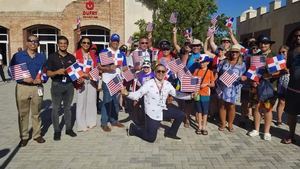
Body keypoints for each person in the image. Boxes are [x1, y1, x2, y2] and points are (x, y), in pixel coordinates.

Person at [121, 64, 192, 142]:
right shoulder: (148, 84)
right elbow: (137, 95)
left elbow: (177, 94)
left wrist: (190, 96)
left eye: (163, 71)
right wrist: (127, 93)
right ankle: (133, 129)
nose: (160, 73)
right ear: (154, 72)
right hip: (152, 113)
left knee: (181, 114)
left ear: (165, 73)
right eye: (158, 71)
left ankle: (171, 133)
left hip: (162, 109)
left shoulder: (167, 84)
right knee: (151, 138)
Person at [10, 35, 46, 147]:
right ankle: (24, 136)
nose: (33, 43)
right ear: (26, 43)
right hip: (23, 87)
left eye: (36, 41)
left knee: (36, 113)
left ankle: (37, 135)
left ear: (38, 44)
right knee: (23, 113)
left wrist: (42, 78)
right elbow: (11, 71)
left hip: (37, 87)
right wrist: (23, 78)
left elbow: (45, 71)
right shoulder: (18, 56)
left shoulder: (42, 57)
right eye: (31, 41)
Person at [46, 36, 77, 140]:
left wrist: (79, 78)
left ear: (67, 45)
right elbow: (48, 73)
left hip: (69, 85)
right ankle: (57, 130)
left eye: (65, 43)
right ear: (58, 44)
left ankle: (68, 129)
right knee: (56, 108)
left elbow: (75, 73)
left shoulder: (72, 57)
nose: (63, 45)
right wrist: (56, 72)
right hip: (57, 85)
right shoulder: (52, 57)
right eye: (61, 43)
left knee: (68, 108)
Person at [248, 35, 278, 141]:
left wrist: (270, 75)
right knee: (256, 108)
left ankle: (266, 131)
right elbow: (252, 70)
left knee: (267, 109)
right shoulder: (256, 56)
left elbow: (280, 72)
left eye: (266, 43)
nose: (263, 45)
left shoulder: (274, 56)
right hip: (257, 86)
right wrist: (253, 80)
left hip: (269, 87)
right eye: (261, 43)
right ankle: (256, 129)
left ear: (270, 44)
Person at [99, 33, 127, 132]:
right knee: (107, 101)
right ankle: (104, 123)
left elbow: (124, 67)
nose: (115, 42)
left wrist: (126, 68)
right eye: (113, 40)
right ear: (110, 41)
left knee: (115, 102)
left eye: (117, 41)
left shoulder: (121, 53)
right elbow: (99, 67)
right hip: (107, 80)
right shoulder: (105, 51)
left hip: (117, 80)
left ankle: (114, 120)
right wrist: (108, 68)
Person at [216, 44, 247, 132]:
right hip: (222, 86)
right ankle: (223, 123)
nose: (234, 53)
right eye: (232, 51)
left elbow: (245, 76)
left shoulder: (243, 64)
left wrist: (243, 78)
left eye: (236, 52)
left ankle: (230, 124)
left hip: (234, 88)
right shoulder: (224, 61)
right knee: (222, 105)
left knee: (232, 106)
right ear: (230, 52)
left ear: (239, 53)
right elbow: (217, 72)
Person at [74, 37, 98, 132]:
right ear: (80, 43)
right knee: (81, 103)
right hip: (81, 81)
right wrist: (82, 76)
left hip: (91, 81)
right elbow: (73, 69)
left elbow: (95, 67)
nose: (86, 44)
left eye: (88, 43)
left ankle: (91, 121)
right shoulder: (76, 54)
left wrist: (94, 76)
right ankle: (81, 124)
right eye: (84, 42)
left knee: (91, 102)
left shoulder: (92, 55)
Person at [281, 29, 300, 144]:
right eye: (296, 36)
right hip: (293, 88)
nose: (298, 38)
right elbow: (287, 67)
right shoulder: (291, 51)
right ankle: (291, 135)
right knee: (291, 114)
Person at [193, 55, 215, 135]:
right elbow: (192, 82)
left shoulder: (210, 72)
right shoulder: (196, 71)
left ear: (208, 62)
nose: (202, 64)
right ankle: (199, 127)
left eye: (204, 62)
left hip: (206, 94)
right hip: (197, 93)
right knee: (199, 110)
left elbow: (213, 84)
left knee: (205, 111)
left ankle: (204, 127)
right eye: (201, 62)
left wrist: (206, 84)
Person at [275, 45, 290, 126]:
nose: (281, 54)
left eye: (283, 52)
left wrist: (287, 69)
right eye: (280, 52)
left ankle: (289, 119)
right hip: (282, 83)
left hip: (292, 84)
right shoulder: (278, 61)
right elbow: (274, 73)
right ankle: (279, 119)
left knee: (290, 103)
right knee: (281, 102)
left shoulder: (293, 61)